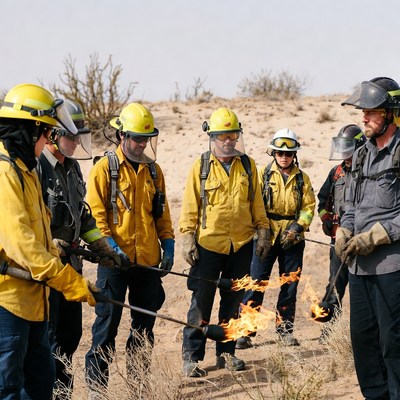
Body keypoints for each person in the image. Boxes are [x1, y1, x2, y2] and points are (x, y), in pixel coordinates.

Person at [0, 83, 97, 400]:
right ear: (30, 131)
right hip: (8, 303)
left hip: (34, 300)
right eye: (45, 135)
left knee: (42, 381)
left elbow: (40, 233)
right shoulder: (5, 173)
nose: (46, 143)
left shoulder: (24, 170)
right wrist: (68, 280)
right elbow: (21, 242)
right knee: (9, 388)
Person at [85, 103, 175, 394]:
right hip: (113, 264)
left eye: (146, 138)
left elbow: (162, 215)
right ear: (121, 134)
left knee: (144, 328)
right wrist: (111, 248)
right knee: (106, 326)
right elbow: (96, 217)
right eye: (137, 138)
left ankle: (139, 386)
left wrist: (169, 245)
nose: (142, 144)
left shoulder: (153, 171)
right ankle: (97, 390)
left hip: (146, 261)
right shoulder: (104, 168)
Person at [37, 99, 121, 399]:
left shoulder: (72, 169)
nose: (76, 142)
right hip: (45, 273)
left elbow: (82, 215)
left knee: (69, 336)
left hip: (72, 267)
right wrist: (50, 244)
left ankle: (62, 393)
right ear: (52, 135)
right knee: (46, 340)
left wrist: (100, 244)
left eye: (78, 136)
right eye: (71, 136)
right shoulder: (36, 169)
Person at [179, 107, 271, 378]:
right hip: (208, 247)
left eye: (233, 135)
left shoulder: (248, 165)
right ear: (212, 137)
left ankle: (226, 354)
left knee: (232, 304)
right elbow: (189, 208)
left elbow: (257, 204)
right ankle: (192, 357)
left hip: (241, 246)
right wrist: (187, 239)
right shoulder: (202, 166)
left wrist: (263, 231)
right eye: (223, 136)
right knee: (201, 303)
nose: (228, 141)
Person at [336, 77, 400, 399]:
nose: (364, 118)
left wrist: (379, 235)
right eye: (363, 112)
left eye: (372, 112)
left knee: (393, 345)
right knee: (363, 342)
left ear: (390, 113)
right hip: (358, 269)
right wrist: (345, 229)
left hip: (392, 268)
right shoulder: (360, 155)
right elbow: (351, 203)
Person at [236, 128, 315, 349]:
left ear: (294, 155)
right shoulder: (262, 174)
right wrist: (261, 231)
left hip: (293, 240)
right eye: (280, 153)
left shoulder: (303, 179)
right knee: (256, 283)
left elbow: (308, 207)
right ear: (273, 153)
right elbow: (253, 203)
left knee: (289, 286)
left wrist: (299, 226)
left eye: (288, 154)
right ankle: (245, 331)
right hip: (265, 238)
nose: (284, 157)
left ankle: (285, 331)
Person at [316, 125, 366, 338]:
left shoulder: (369, 170)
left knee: (361, 287)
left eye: (348, 149)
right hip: (338, 240)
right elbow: (322, 200)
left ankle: (361, 331)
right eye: (342, 148)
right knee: (335, 285)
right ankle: (329, 329)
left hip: (363, 241)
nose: (344, 154)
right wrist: (325, 218)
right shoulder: (336, 172)